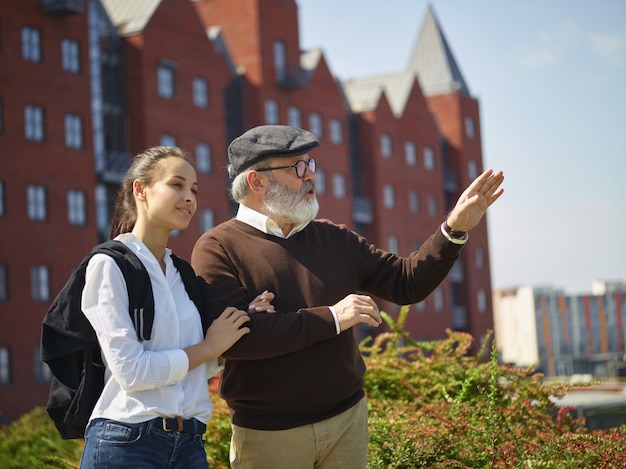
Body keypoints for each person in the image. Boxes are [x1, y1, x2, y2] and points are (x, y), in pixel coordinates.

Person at [190, 125, 505, 469]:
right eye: (297, 166)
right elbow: (237, 341)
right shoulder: (217, 248)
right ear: (257, 182)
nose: (311, 175)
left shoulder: (334, 238)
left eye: (310, 163)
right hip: (269, 434)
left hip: (347, 421)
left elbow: (406, 283)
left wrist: (454, 230)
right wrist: (334, 317)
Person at [79, 146, 274, 469]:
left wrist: (237, 326)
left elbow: (196, 365)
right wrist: (210, 346)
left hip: (189, 444)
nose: (189, 198)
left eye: (194, 190)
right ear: (140, 189)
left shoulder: (183, 273)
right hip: (127, 442)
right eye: (177, 185)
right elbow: (131, 371)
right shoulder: (110, 265)